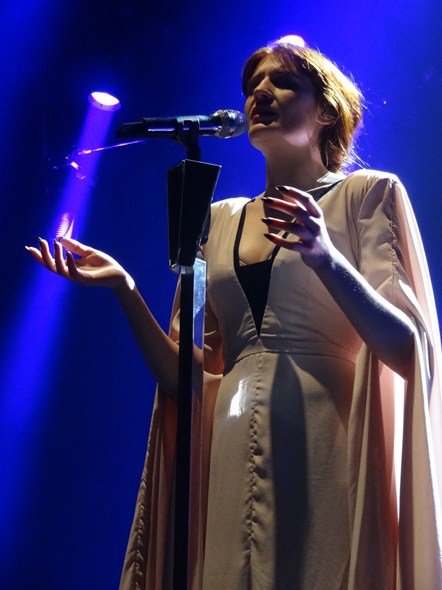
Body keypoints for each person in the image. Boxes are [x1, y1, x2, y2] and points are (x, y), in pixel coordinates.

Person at [27, 39, 442, 589]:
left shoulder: (366, 194)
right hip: (229, 445)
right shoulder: (218, 221)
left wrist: (325, 257)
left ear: (326, 110)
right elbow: (189, 379)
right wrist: (126, 290)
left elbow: (409, 349)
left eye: (282, 82)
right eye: (253, 85)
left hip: (324, 442)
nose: (260, 93)